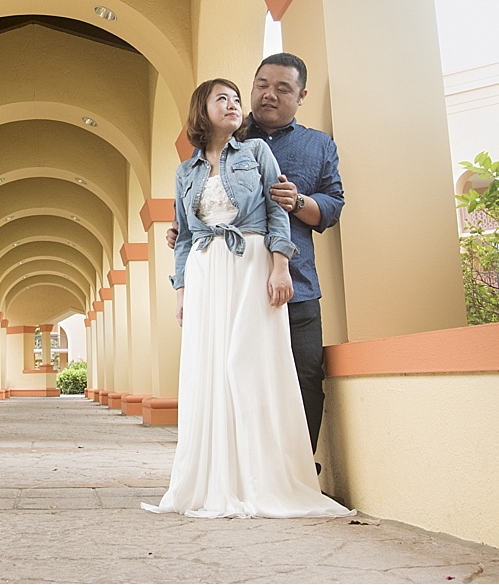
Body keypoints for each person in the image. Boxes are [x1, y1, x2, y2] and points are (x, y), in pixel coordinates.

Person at [142, 78, 351, 519]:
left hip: (250, 264)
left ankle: (264, 477)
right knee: (210, 372)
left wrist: (279, 267)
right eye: (224, 98)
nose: (234, 104)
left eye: (237, 99)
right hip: (205, 270)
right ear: (203, 109)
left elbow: (277, 213)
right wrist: (182, 292)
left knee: (250, 365)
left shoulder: (256, 153)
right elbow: (182, 238)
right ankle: (218, 479)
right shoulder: (185, 172)